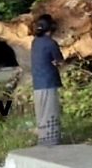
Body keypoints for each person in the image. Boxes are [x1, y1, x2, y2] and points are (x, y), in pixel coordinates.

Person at [31, 13, 64, 146]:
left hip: (37, 82)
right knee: (51, 111)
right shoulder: (51, 43)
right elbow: (59, 61)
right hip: (49, 81)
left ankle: (43, 138)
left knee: (41, 112)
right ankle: (51, 140)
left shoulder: (35, 42)